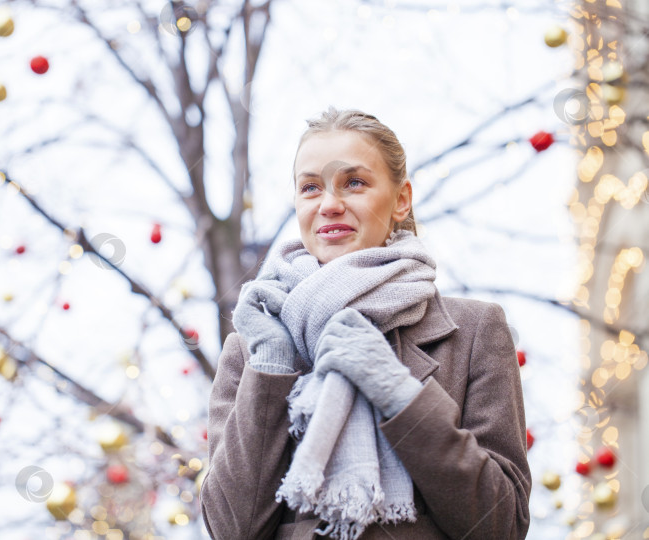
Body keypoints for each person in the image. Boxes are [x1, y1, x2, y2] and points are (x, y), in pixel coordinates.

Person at [200, 107, 531, 540]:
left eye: (354, 183)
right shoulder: (253, 346)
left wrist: (398, 394)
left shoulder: (473, 331)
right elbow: (232, 529)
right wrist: (272, 370)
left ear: (401, 200)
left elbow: (501, 526)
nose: (330, 205)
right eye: (311, 187)